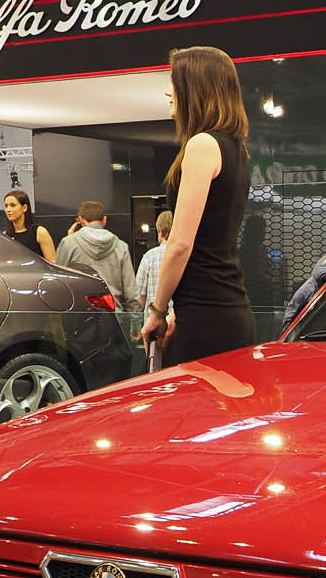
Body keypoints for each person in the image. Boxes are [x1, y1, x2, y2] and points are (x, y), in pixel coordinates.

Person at [142, 45, 254, 367]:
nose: (168, 92)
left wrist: (158, 310)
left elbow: (180, 243)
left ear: (195, 88)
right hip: (222, 309)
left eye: (174, 82)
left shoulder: (202, 145)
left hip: (207, 316)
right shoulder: (235, 148)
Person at [56, 201, 140, 314]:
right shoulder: (121, 246)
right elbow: (131, 292)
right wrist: (135, 321)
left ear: (80, 220)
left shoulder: (68, 244)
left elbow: (58, 285)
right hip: (114, 316)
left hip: (79, 317)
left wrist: (70, 240)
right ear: (104, 220)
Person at [0, 189, 56, 263]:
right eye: (6, 206)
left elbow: (52, 263)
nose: (8, 210)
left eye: (13, 205)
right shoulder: (5, 236)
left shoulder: (39, 232)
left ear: (24, 208)